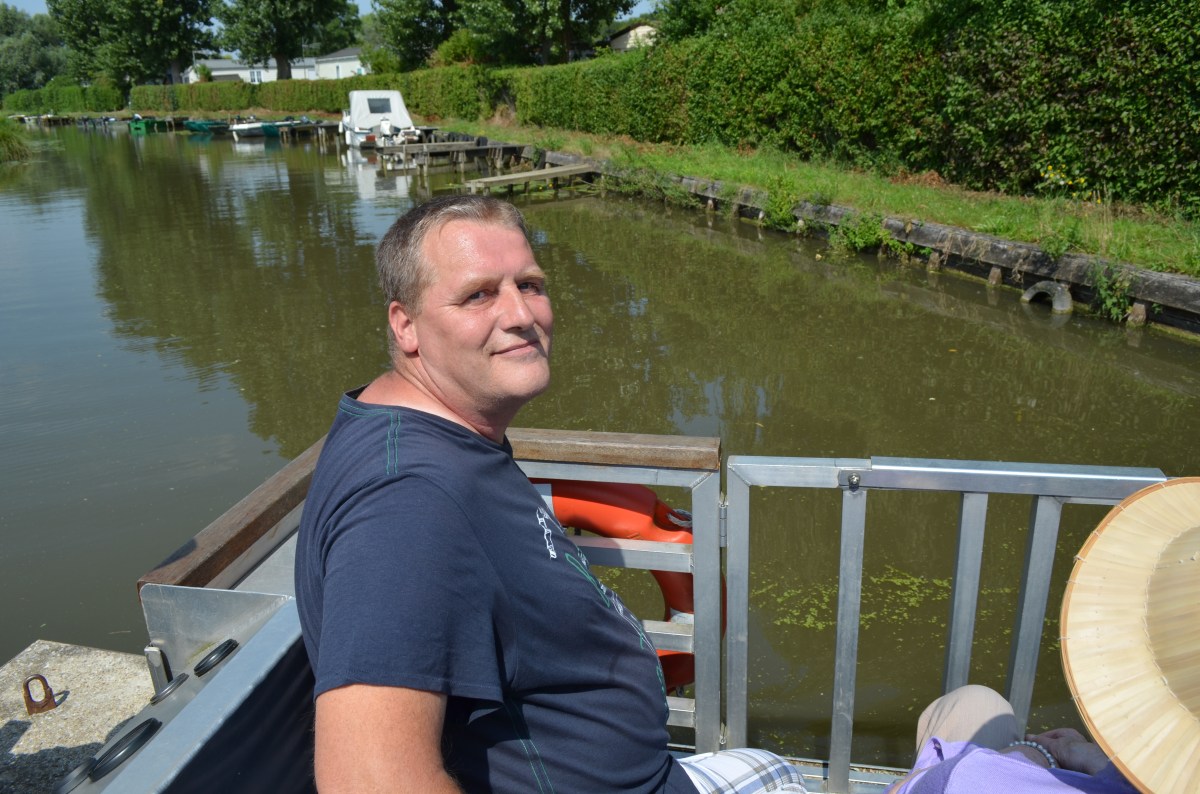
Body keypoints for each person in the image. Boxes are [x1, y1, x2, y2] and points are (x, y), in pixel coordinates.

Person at [294, 195, 807, 793]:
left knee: (780, 769)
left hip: (647, 774)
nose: (519, 314)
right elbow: (368, 781)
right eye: (478, 294)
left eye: (530, 284)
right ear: (404, 324)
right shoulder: (408, 507)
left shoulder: (440, 434)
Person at [889, 476, 1200, 794]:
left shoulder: (969, 780)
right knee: (981, 703)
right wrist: (1098, 763)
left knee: (975, 705)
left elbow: (905, 790)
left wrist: (1035, 754)